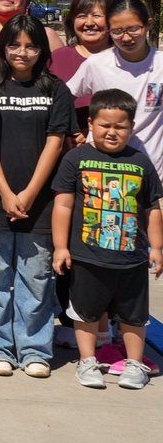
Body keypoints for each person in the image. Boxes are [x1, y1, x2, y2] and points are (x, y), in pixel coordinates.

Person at [0, 14, 75, 378]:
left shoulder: (56, 90)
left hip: (42, 203)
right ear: (3, 48)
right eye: (14, 45)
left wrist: (30, 193)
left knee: (36, 279)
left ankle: (34, 348)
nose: (23, 52)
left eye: (31, 46)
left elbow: (55, 143)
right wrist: (4, 191)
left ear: (42, 50)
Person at [51, 88, 163, 390]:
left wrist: (157, 248)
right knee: (85, 312)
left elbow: (152, 208)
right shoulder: (76, 159)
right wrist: (61, 247)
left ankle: (134, 363)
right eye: (105, 125)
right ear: (91, 123)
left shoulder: (141, 161)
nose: (112, 132)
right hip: (88, 255)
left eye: (120, 126)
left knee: (134, 316)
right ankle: (88, 361)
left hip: (132, 257)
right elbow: (63, 205)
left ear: (132, 127)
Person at [66, 0, 163, 174]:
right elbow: (63, 98)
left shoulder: (160, 64)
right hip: (99, 169)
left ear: (148, 24)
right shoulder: (96, 64)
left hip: (150, 170)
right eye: (117, 31)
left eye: (133, 29)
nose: (126, 38)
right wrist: (71, 130)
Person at [49, 0, 112, 137]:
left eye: (97, 16)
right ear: (72, 21)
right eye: (82, 16)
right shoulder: (55, 59)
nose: (89, 23)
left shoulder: (123, 60)